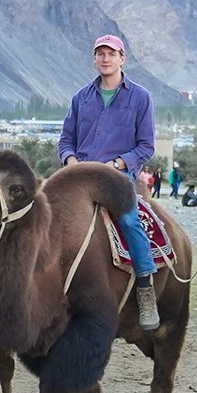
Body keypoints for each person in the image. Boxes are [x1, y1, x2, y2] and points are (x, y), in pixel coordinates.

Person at [58, 34, 161, 331]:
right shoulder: (81, 98)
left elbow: (146, 146)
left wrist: (117, 163)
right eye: (100, 54)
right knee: (44, 217)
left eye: (111, 54)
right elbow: (66, 140)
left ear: (122, 58)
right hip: (79, 175)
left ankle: (145, 289)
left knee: (129, 221)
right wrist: (71, 161)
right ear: (94, 59)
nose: (105, 58)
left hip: (117, 175)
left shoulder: (140, 97)